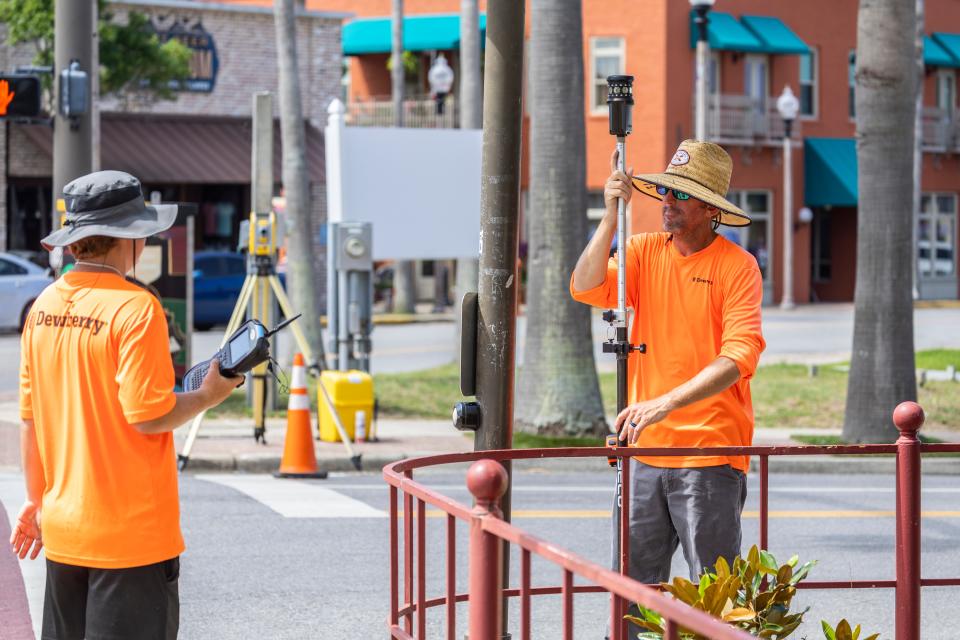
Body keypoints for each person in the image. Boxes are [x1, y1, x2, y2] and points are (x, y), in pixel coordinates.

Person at [9, 170, 241, 640]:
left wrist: (37, 504)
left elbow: (30, 420)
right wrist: (208, 395)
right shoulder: (136, 309)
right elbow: (149, 414)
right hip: (130, 538)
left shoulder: (44, 306)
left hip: (63, 531)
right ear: (127, 238)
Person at [570, 140, 765, 587]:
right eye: (665, 191)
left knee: (713, 593)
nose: (666, 201)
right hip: (644, 450)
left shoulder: (738, 267)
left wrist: (664, 403)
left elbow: (739, 356)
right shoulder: (643, 251)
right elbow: (584, 285)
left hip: (709, 453)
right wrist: (610, 213)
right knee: (631, 588)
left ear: (709, 207)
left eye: (679, 193)